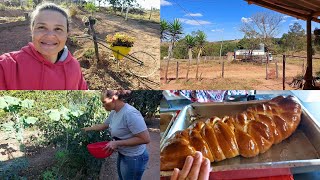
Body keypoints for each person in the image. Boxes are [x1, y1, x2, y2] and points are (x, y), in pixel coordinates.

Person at [0, 2, 87, 90]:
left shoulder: (74, 67)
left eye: (58, 29)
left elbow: (84, 100)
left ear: (67, 34)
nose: (50, 35)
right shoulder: (6, 66)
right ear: (32, 30)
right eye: (42, 27)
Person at [83, 90, 150, 180]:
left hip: (134, 158)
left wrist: (117, 143)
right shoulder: (115, 112)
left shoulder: (130, 113)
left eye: (104, 102)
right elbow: (104, 125)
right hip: (124, 154)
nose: (103, 105)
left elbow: (145, 139)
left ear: (113, 99)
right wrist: (87, 129)